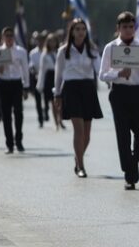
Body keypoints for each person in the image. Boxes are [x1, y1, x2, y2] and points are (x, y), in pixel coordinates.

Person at [99, 12, 139, 190]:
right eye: (124, 27)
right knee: (123, 135)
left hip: (138, 94)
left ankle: (132, 162)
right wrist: (117, 74)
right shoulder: (110, 48)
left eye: (131, 26)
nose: (128, 30)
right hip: (119, 94)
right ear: (118, 29)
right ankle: (129, 174)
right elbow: (102, 74)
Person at [54, 19, 103, 178]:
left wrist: (112, 77)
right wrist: (57, 94)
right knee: (79, 130)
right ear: (72, 32)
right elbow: (59, 74)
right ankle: (81, 166)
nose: (81, 32)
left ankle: (78, 157)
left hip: (88, 89)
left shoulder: (92, 50)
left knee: (87, 134)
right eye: (77, 29)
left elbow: (99, 69)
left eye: (83, 29)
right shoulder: (64, 51)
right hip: (71, 89)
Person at [0, 27, 30, 154]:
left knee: (18, 113)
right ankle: (9, 143)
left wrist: (26, 87)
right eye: (7, 35)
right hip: (3, 83)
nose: (9, 38)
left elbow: (25, 69)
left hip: (16, 83)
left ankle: (19, 140)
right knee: (6, 115)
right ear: (3, 37)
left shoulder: (20, 51)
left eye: (11, 35)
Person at [38, 33, 64, 131]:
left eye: (54, 41)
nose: (52, 43)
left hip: (59, 76)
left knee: (61, 101)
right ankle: (56, 122)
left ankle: (60, 119)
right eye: (50, 41)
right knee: (53, 102)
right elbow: (42, 70)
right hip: (49, 77)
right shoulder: (45, 55)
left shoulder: (59, 52)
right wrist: (40, 85)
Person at [29, 31, 49, 128]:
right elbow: (31, 64)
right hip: (37, 77)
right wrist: (32, 69)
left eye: (42, 40)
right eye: (39, 41)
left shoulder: (47, 52)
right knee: (38, 100)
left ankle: (46, 109)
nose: (40, 42)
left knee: (47, 97)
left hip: (47, 78)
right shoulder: (33, 53)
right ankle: (40, 118)